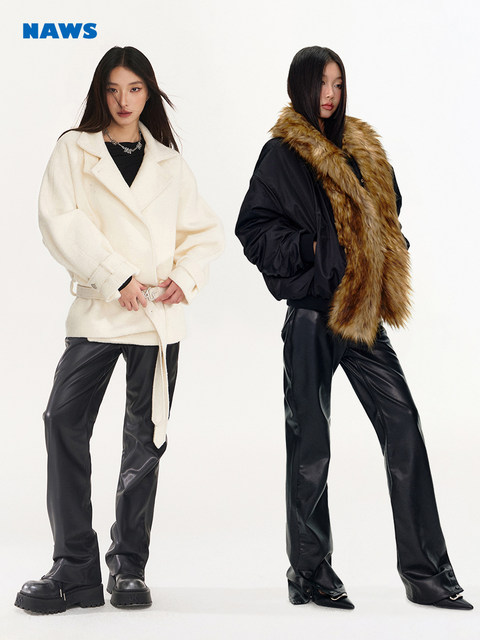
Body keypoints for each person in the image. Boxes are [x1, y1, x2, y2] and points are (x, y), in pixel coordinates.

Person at [235, 46, 472, 611]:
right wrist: (313, 248)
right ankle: (310, 572)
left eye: (337, 84)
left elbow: (388, 211)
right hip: (312, 316)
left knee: (403, 424)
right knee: (310, 444)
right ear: (300, 86)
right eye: (321, 83)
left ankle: (426, 574)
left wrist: (389, 247)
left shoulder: (362, 146)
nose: (330, 95)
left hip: (361, 314)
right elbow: (253, 230)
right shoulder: (282, 153)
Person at [15, 46, 223, 614]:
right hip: (100, 312)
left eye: (134, 89)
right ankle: (74, 566)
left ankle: (129, 568)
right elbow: (59, 221)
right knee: (63, 420)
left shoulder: (170, 164)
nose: (123, 101)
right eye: (113, 89)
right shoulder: (74, 150)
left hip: (156, 319)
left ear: (148, 93)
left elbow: (204, 233)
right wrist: (116, 277)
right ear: (100, 93)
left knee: (144, 443)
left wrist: (184, 277)